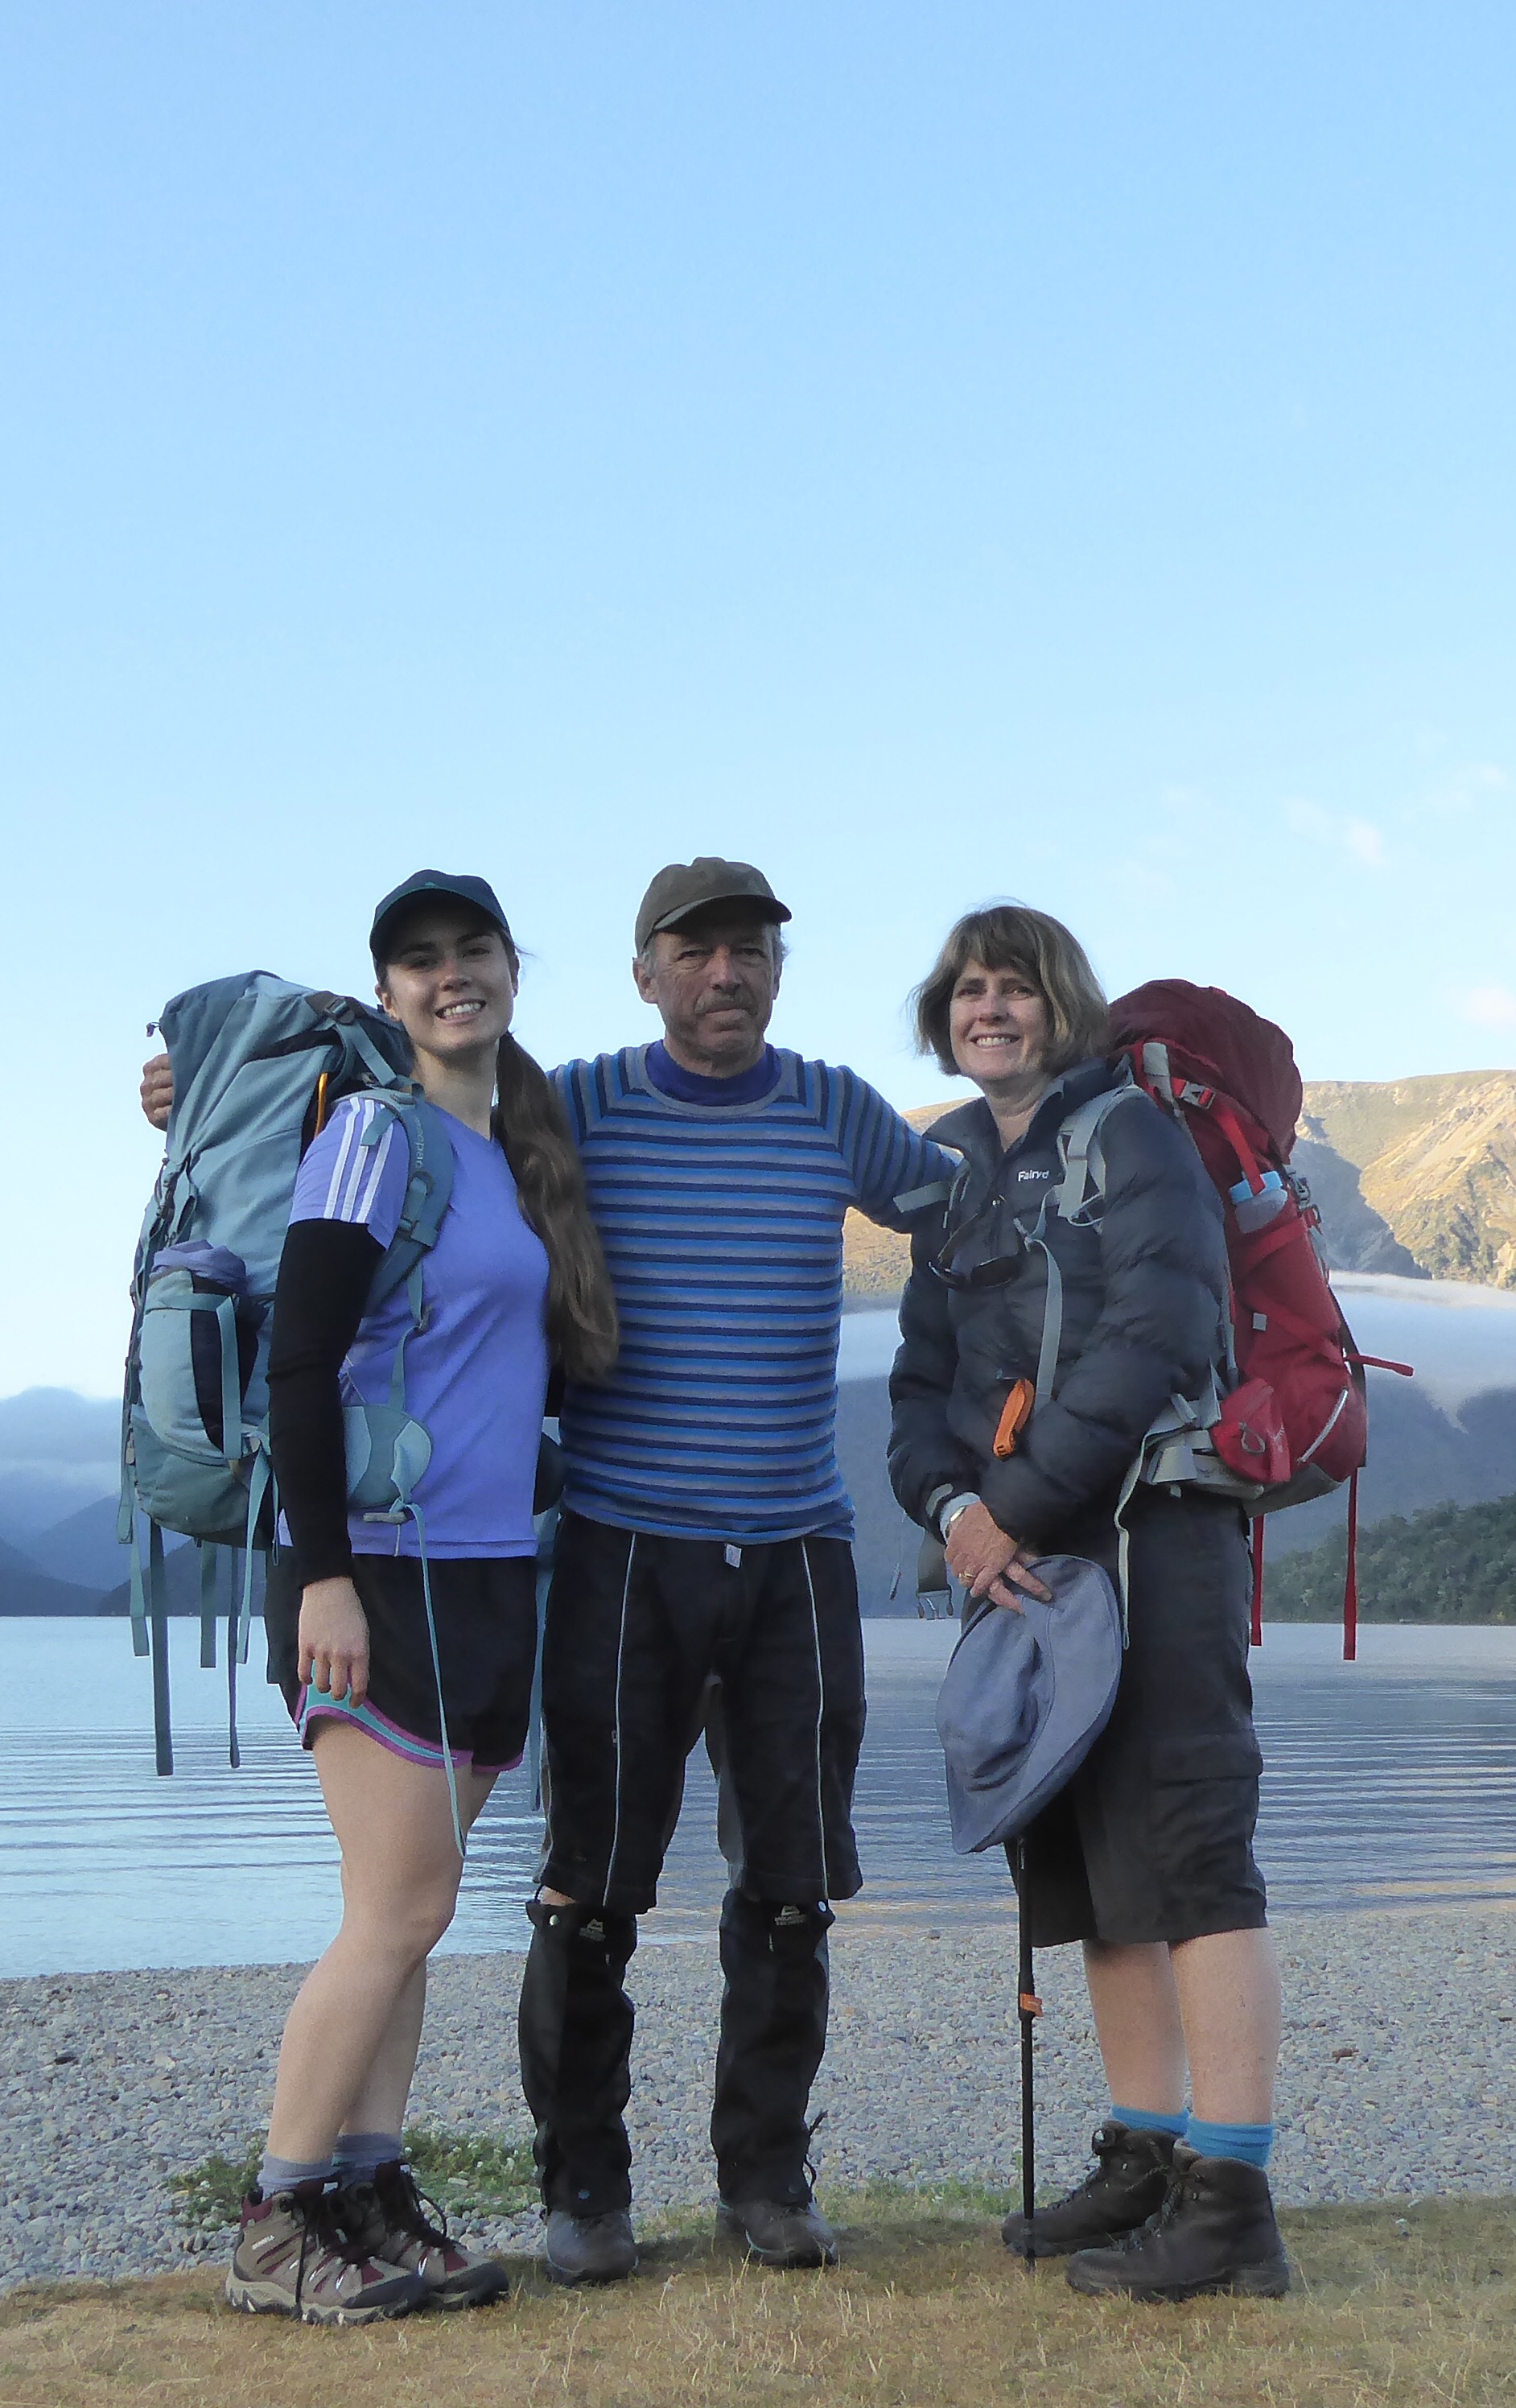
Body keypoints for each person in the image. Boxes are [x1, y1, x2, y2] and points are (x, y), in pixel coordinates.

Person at [151, 860, 955, 2285]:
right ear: (642, 974)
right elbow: (371, 1113)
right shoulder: (547, 1107)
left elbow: (970, 1211)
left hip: (761, 1552)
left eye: (750, 950)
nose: (724, 973)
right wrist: (199, 1086)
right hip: (593, 1549)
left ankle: (751, 2184)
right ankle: (564, 2192)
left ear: (781, 968)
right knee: (571, 1890)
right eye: (692, 952)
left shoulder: (815, 1110)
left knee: (782, 1889)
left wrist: (1078, 1126)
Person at [224, 869, 620, 2324]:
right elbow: (298, 1363)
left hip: (486, 1576)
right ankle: (277, 2219)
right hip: (376, 1577)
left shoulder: (516, 1152)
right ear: (390, 996)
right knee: (393, 1912)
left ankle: (369, 2189)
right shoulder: (368, 1140)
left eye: (474, 951)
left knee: (414, 1910)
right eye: (422, 962)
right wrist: (322, 1572)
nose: (453, 976)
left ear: (514, 967)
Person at [886, 904, 1294, 2299]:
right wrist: (953, 1511)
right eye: (967, 989)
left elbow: (1160, 1332)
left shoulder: (1135, 1137)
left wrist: (1013, 1504)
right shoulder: (951, 1172)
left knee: (1190, 1850)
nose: (988, 1008)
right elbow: (917, 1384)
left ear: (1062, 1004)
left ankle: (1232, 2201)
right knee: (1090, 1866)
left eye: (1014, 986)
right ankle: (1144, 2156)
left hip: (1156, 1532)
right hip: (1022, 1553)